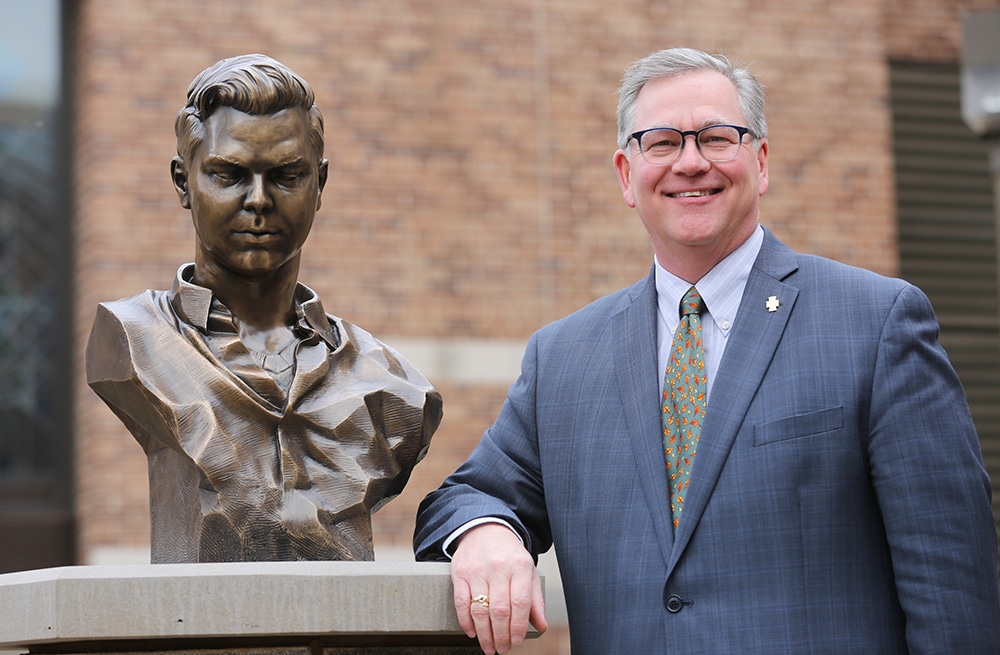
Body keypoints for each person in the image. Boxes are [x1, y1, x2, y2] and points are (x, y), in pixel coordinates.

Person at [414, 47, 1000, 654]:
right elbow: (463, 496)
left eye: (717, 138)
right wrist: (486, 533)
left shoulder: (876, 324)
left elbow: (952, 593)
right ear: (625, 174)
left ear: (761, 161)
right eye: (662, 143)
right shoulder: (563, 357)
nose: (690, 163)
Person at [86, 54, 442, 563]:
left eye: (286, 176)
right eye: (228, 175)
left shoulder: (389, 382)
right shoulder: (131, 338)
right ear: (183, 183)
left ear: (320, 183)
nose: (258, 200)